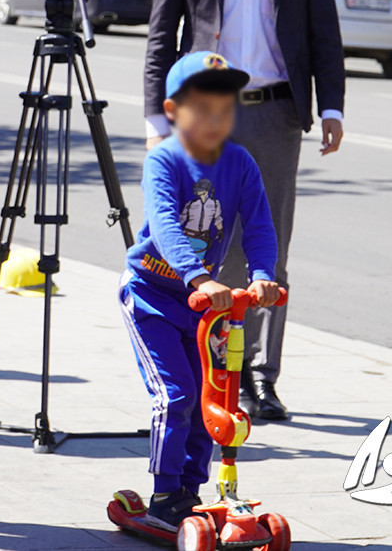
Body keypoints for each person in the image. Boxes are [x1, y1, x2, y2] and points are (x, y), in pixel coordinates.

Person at [144, 0, 344, 421]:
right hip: (204, 116)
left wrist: (330, 107)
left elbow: (323, 30)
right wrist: (158, 120)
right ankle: (213, 370)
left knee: (267, 249)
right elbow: (162, 36)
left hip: (276, 111)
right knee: (206, 246)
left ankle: (261, 375)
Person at [121, 51, 283, 530]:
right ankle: (165, 494)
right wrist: (198, 276)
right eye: (203, 107)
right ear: (173, 111)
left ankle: (192, 490)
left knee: (208, 402)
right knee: (175, 395)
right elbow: (167, 226)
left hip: (204, 308)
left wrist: (261, 274)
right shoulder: (164, 160)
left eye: (224, 108)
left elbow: (258, 224)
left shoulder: (240, 162)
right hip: (151, 295)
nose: (216, 117)